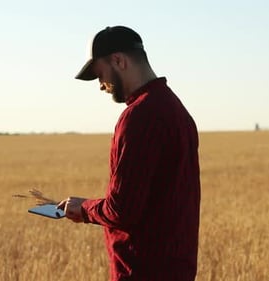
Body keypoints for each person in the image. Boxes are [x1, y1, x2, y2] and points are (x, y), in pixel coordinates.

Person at [57, 26, 201, 281]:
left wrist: (84, 208)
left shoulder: (139, 116)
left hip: (142, 271)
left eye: (100, 74)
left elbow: (122, 210)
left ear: (119, 61)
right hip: (176, 268)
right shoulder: (176, 109)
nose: (101, 85)